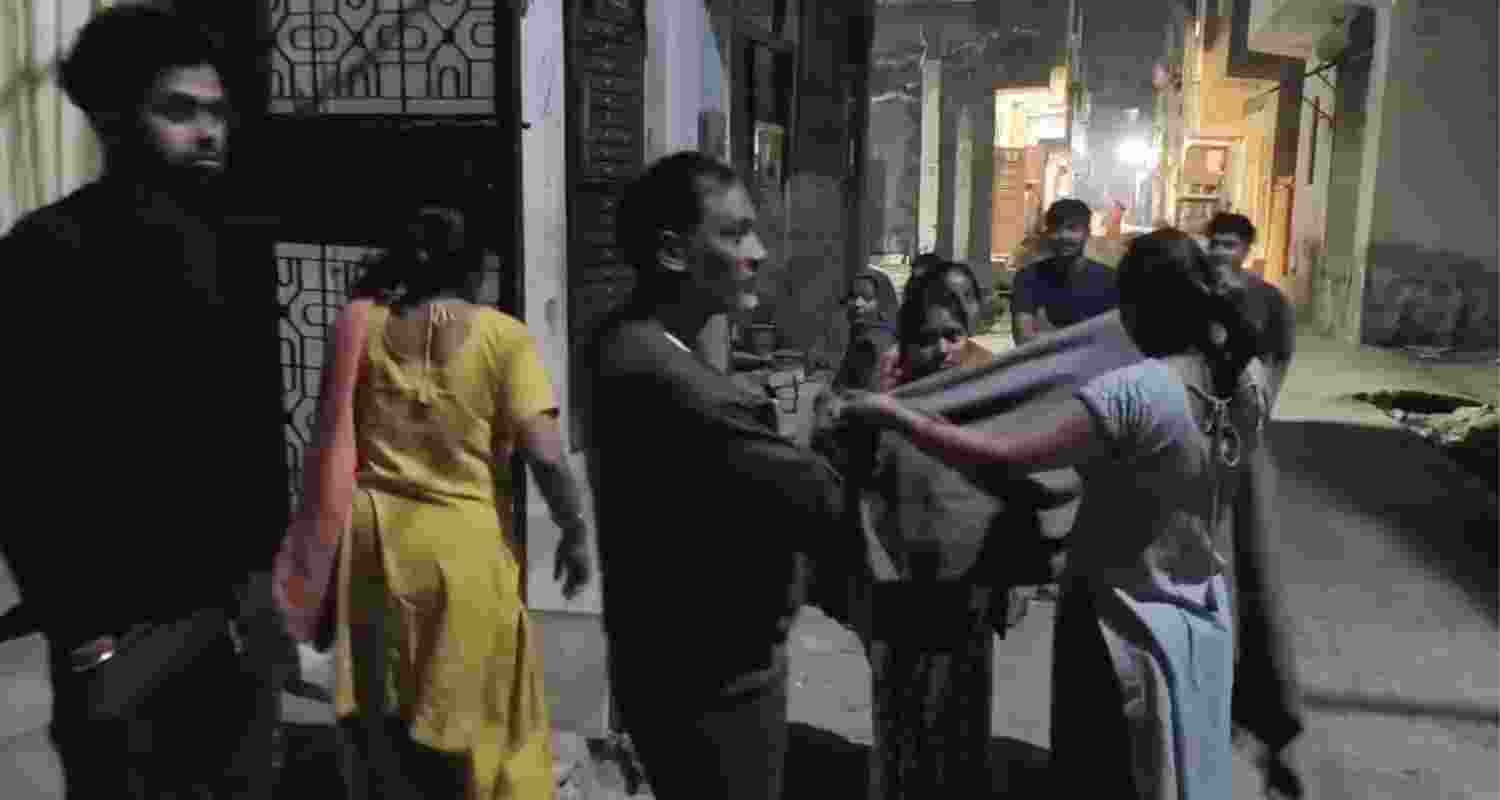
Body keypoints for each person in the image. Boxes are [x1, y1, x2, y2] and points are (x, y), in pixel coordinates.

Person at [841, 229, 1273, 799]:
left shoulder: (1133, 392)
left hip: (1119, 618)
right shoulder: (1247, 382)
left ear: (1139, 307)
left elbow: (1006, 455)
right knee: (1186, 764)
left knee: (1111, 771)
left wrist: (898, 417)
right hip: (1200, 611)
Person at [0, 7, 292, 797]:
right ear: (112, 120)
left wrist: (265, 595)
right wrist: (83, 634)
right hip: (122, 634)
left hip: (233, 621)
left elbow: (253, 433)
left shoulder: (235, 244)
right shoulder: (48, 253)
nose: (208, 133)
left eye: (217, 112)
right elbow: (21, 458)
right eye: (179, 110)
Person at [297, 205, 592, 799]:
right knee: (474, 720)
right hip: (461, 551)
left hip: (375, 542)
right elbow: (547, 454)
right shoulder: (503, 338)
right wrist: (574, 527)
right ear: (481, 267)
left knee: (387, 711)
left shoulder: (368, 326)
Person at [586, 152, 850, 800]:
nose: (756, 252)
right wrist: (812, 418)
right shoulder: (676, 382)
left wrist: (784, 401)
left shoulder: (624, 339)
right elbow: (821, 499)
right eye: (734, 234)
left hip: (665, 660)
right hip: (717, 683)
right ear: (675, 252)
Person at [1204, 212, 1297, 400]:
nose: (1220, 252)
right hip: (1199, 400)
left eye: (1229, 245)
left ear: (1246, 250)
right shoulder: (1195, 288)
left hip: (1244, 404)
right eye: (1215, 244)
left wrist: (1267, 398)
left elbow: (1280, 357)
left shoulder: (1271, 298)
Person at [1011, 198, 1121, 345]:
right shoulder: (1028, 278)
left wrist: (1047, 336)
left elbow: (1118, 340)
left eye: (1072, 228)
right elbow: (1024, 339)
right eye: (1056, 229)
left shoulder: (1110, 280)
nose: (1063, 236)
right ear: (1047, 233)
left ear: (1087, 233)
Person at [832, 271, 898, 391]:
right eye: (853, 297)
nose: (857, 304)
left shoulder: (876, 339)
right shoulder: (857, 332)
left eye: (866, 298)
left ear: (881, 302)